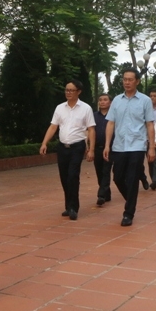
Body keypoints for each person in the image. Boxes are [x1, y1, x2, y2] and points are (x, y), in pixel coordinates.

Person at [103, 68, 155, 227]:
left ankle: (128, 213)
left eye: (130, 79)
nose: (127, 82)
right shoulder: (117, 100)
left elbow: (149, 124)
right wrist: (107, 145)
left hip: (137, 145)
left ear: (137, 81)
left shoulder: (145, 100)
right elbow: (110, 123)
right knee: (117, 177)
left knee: (132, 179)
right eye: (124, 79)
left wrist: (151, 147)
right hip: (119, 145)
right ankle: (131, 200)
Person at [40, 80, 96, 221]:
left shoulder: (86, 108)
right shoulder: (60, 108)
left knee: (73, 176)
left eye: (71, 90)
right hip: (62, 146)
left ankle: (73, 207)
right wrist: (44, 143)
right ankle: (68, 205)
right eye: (67, 90)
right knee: (64, 177)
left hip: (77, 146)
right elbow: (53, 126)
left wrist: (91, 149)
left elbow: (91, 129)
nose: (68, 93)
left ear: (79, 92)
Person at [93, 94, 113, 206]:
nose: (102, 102)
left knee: (106, 171)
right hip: (97, 148)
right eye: (100, 100)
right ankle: (107, 193)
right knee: (99, 172)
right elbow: (89, 130)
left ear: (110, 102)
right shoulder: (94, 116)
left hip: (110, 148)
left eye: (105, 100)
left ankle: (101, 195)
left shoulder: (114, 116)